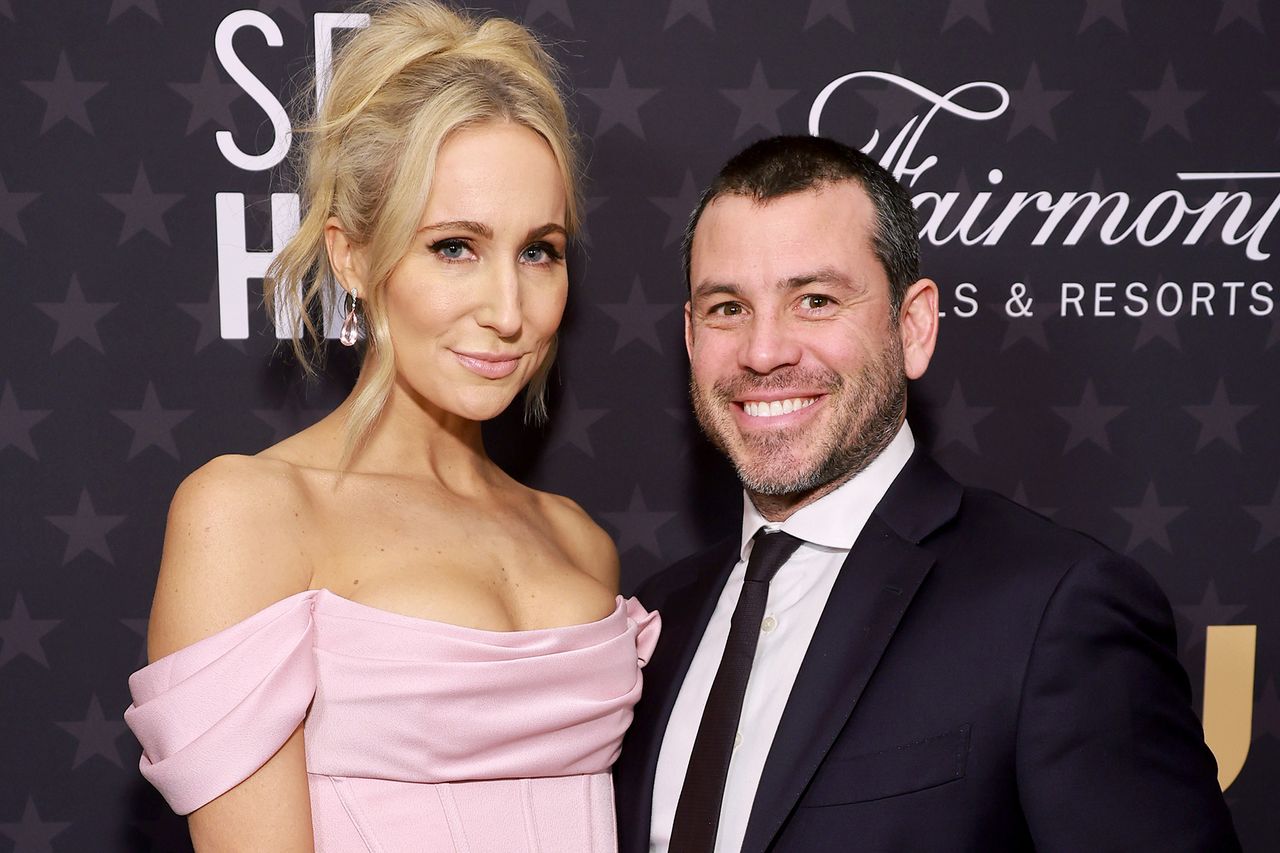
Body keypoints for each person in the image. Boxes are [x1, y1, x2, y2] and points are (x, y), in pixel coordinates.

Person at [124, 3, 658, 850]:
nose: (508, 310)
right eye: (454, 246)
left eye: (539, 251)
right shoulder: (249, 512)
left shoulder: (579, 542)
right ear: (352, 256)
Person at [613, 135, 1239, 852]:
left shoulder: (1053, 610)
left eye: (814, 300)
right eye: (727, 307)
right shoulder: (658, 616)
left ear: (913, 327)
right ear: (690, 339)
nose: (764, 351)